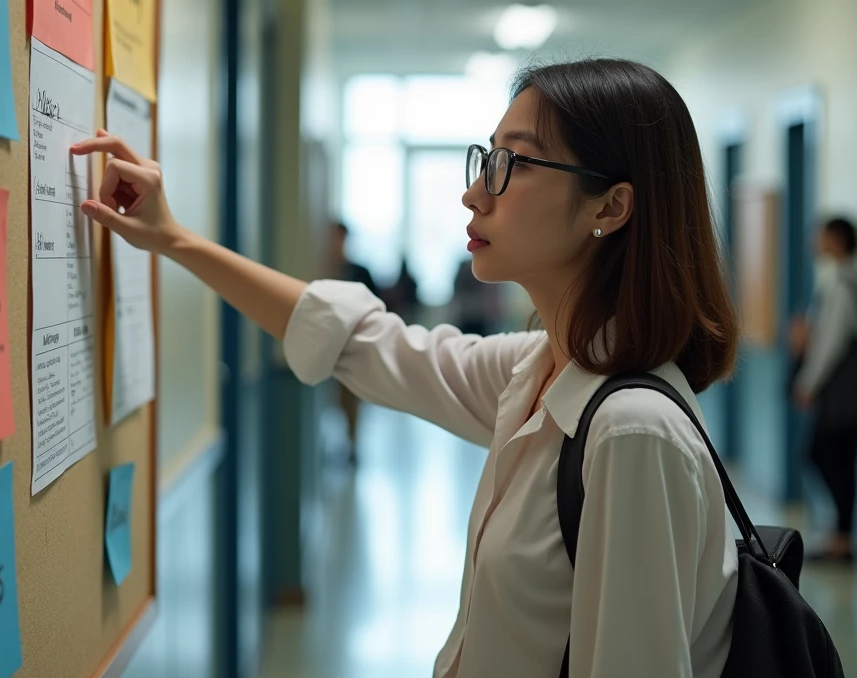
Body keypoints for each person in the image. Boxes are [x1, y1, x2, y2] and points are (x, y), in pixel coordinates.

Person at [71, 58, 741, 677]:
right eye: (488, 158)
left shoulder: (630, 433)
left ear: (611, 206)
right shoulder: (539, 371)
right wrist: (174, 239)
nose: (475, 194)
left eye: (515, 164)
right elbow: (364, 342)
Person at [789, 217, 857, 563]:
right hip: (843, 393)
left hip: (844, 394)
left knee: (828, 458)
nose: (815, 240)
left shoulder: (844, 283)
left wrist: (807, 383)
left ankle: (843, 538)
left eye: (821, 233)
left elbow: (832, 342)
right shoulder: (846, 278)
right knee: (837, 460)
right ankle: (842, 534)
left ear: (838, 239)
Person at [328, 220, 377, 462]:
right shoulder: (323, 271)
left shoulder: (359, 272)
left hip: (352, 346)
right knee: (333, 401)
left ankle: (352, 443)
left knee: (350, 399)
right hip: (326, 346)